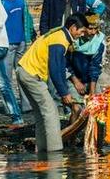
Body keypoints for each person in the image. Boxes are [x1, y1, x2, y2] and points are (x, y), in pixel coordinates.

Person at [16, 13, 89, 152]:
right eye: (82, 31)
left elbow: (60, 69)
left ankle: (42, 150)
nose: (82, 34)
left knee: (41, 114)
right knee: (51, 113)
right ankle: (55, 153)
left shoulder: (60, 35)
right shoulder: (59, 40)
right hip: (31, 75)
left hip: (25, 71)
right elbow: (55, 69)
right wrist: (64, 93)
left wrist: (65, 91)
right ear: (73, 28)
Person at [0, 0, 36, 113]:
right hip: (7, 45)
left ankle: (26, 106)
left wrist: (31, 33)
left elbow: (27, 17)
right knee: (6, 78)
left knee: (23, 75)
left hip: (21, 42)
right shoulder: (0, 1)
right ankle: (10, 108)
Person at [66, 12, 106, 123]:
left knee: (98, 106)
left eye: (95, 29)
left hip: (89, 78)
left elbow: (95, 66)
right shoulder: (74, 39)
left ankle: (95, 137)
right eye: (89, 29)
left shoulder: (99, 42)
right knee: (77, 109)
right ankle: (71, 138)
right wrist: (76, 81)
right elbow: (66, 64)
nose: (93, 32)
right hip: (72, 76)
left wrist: (92, 89)